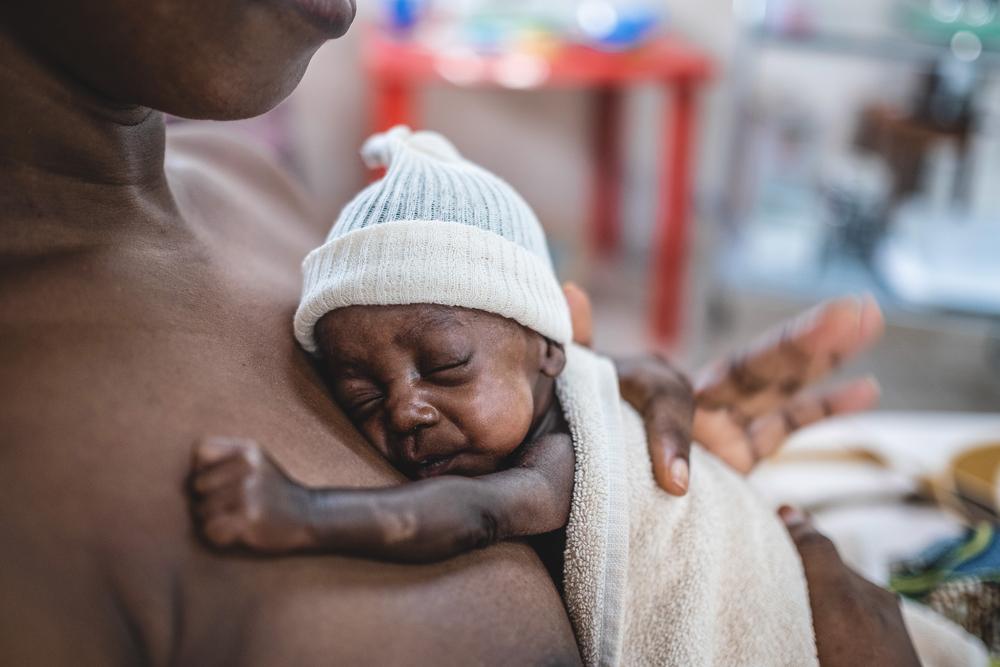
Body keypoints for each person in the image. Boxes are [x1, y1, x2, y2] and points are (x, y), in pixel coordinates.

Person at [0, 1, 916, 664]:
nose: (403, 407)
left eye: (443, 363)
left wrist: (649, 503)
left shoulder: (263, 197)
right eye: (365, 392)